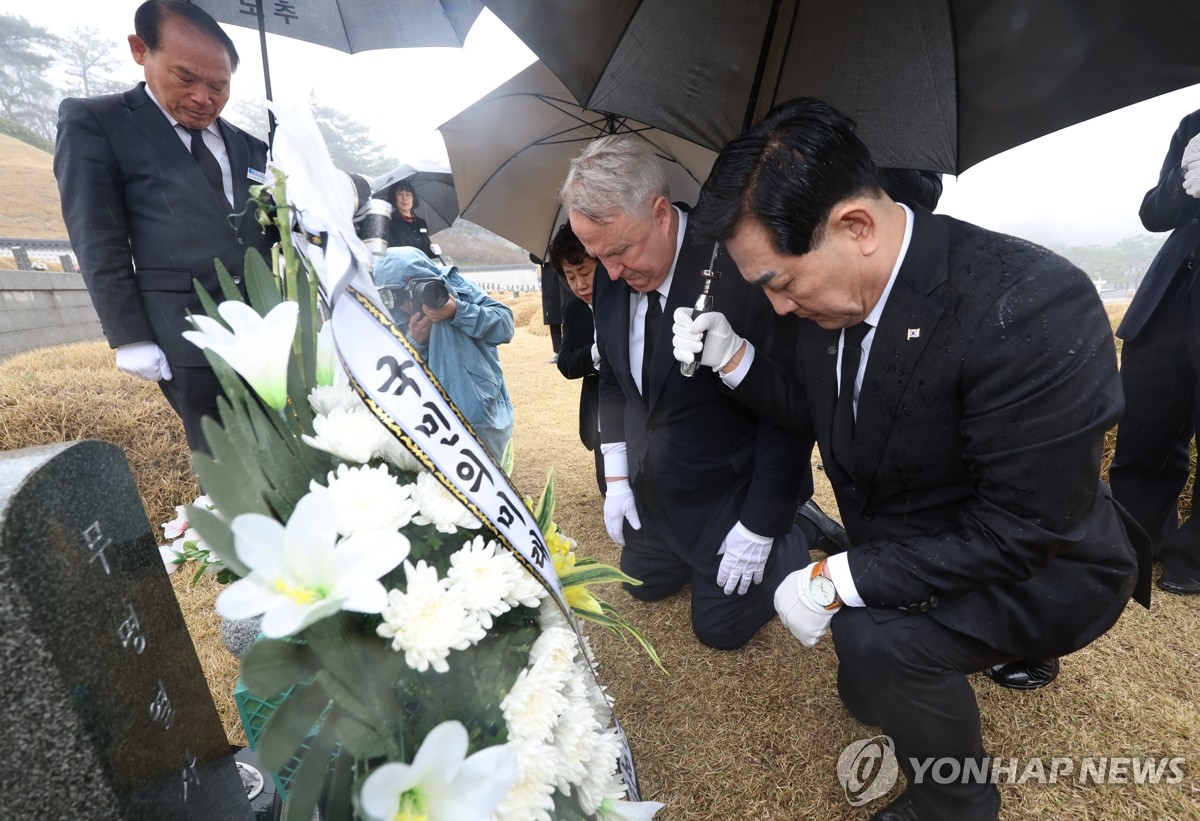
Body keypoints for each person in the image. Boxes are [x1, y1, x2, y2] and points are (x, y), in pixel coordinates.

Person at [673, 98, 1148, 821]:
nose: (777, 308)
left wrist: (844, 575)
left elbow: (1020, 529)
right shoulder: (832, 300)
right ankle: (897, 666)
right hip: (920, 528)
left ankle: (952, 802)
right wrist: (733, 357)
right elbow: (825, 407)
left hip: (1050, 565)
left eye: (779, 282)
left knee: (871, 635)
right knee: (866, 669)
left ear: (855, 226)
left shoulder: (1025, 305)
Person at [560, 134, 844, 651]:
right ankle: (692, 547)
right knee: (643, 585)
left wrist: (760, 526)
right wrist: (618, 473)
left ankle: (794, 530)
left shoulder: (741, 267)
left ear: (662, 213)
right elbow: (615, 382)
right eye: (599, 256)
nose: (611, 272)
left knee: (719, 630)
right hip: (661, 484)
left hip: (731, 488)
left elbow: (789, 414)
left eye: (621, 250)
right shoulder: (610, 274)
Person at [53, 0, 275, 455]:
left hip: (263, 325)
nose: (203, 98)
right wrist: (130, 335)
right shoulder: (98, 122)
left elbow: (268, 232)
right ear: (140, 50)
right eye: (186, 78)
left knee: (280, 446)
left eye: (219, 85)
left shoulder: (253, 147)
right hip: (184, 330)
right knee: (229, 462)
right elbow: (97, 237)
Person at [1109, 108, 1200, 596]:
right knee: (1147, 419)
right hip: (1171, 295)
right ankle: (1134, 535)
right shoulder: (1195, 123)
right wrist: (1182, 185)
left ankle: (1195, 554)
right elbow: (1153, 215)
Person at [373, 247, 514, 460]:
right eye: (394, 298)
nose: (404, 306)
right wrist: (415, 342)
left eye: (404, 296)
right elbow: (391, 377)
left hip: (482, 414)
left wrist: (459, 310)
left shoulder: (458, 288)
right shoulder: (392, 316)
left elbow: (505, 325)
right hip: (430, 423)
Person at [548, 222, 605, 495]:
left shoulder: (635, 297)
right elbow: (566, 364)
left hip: (644, 416)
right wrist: (599, 350)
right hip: (601, 415)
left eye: (585, 272)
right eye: (570, 277)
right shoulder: (573, 311)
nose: (580, 285)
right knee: (607, 483)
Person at [383, 179, 436, 258]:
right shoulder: (389, 223)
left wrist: (433, 252)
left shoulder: (421, 223)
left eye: (408, 194)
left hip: (423, 267)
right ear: (394, 197)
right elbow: (390, 252)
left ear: (413, 198)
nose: (404, 198)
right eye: (400, 194)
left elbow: (425, 251)